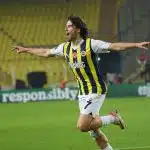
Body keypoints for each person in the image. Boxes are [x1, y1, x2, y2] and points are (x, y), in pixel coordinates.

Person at [12, 15, 150, 150]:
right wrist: (26, 50)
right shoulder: (64, 48)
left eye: (70, 26)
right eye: (66, 27)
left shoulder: (91, 44)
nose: (66, 29)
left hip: (95, 89)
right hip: (82, 93)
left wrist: (136, 44)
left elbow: (114, 46)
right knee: (94, 132)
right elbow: (46, 52)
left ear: (78, 29)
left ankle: (113, 118)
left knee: (83, 125)